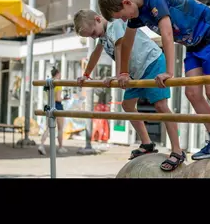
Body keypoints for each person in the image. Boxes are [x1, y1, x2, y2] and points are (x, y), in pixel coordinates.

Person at [97, 0, 210, 170]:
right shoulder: (135, 13)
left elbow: (167, 34)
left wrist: (169, 72)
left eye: (122, 16)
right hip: (194, 44)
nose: (123, 20)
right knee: (192, 94)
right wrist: (123, 73)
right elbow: (127, 43)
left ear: (127, 2)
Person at [73, 9, 185, 171]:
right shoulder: (103, 37)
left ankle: (177, 149)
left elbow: (120, 47)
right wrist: (86, 74)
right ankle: (147, 143)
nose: (93, 37)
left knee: (161, 106)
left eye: (93, 33)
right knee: (127, 105)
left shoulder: (115, 24)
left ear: (98, 19)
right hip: (135, 72)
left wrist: (119, 74)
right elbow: (95, 54)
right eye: (90, 36)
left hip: (152, 62)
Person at [38, 68, 67, 155]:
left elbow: (46, 94)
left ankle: (41, 145)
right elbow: (58, 98)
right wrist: (64, 98)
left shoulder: (47, 83)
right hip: (57, 105)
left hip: (48, 105)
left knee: (47, 128)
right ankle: (61, 147)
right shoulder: (58, 83)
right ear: (57, 74)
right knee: (60, 128)